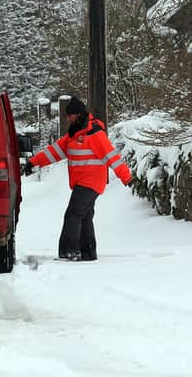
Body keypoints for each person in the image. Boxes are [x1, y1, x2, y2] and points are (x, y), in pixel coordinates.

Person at [22, 96, 132, 261]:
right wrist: (33, 162)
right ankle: (88, 253)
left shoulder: (94, 133)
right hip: (82, 182)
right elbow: (55, 151)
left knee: (73, 215)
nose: (67, 119)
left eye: (69, 115)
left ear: (78, 114)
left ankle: (70, 252)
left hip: (91, 182)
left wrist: (126, 177)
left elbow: (112, 157)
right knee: (85, 217)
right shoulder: (74, 134)